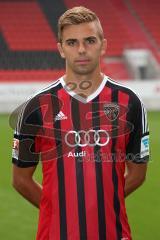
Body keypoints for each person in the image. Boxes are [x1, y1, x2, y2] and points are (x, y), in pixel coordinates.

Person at [12, 6, 149, 240]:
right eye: (72, 42)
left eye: (90, 40)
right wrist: (59, 211)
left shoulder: (130, 102)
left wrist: (101, 206)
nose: (82, 49)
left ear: (103, 45)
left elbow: (137, 174)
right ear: (61, 49)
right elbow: (21, 180)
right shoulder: (36, 107)